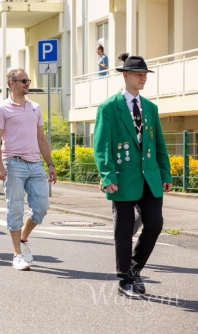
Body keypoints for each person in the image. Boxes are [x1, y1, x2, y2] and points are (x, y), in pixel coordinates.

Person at [93, 53, 172, 300]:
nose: (142, 79)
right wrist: (106, 175)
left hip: (150, 177)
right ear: (125, 75)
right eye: (138, 75)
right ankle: (124, 280)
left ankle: (134, 270)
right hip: (122, 177)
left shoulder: (150, 107)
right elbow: (101, 145)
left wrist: (165, 172)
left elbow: (159, 143)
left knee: (155, 224)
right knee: (124, 230)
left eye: (145, 75)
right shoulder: (109, 107)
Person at [0, 68, 57, 271]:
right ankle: (17, 255)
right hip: (13, 163)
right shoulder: (2, 108)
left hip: (35, 164)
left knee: (41, 208)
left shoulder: (35, 107)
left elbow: (41, 138)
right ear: (11, 83)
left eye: (28, 80)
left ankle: (23, 237)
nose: (27, 84)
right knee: (16, 208)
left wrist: (50, 164)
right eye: (23, 81)